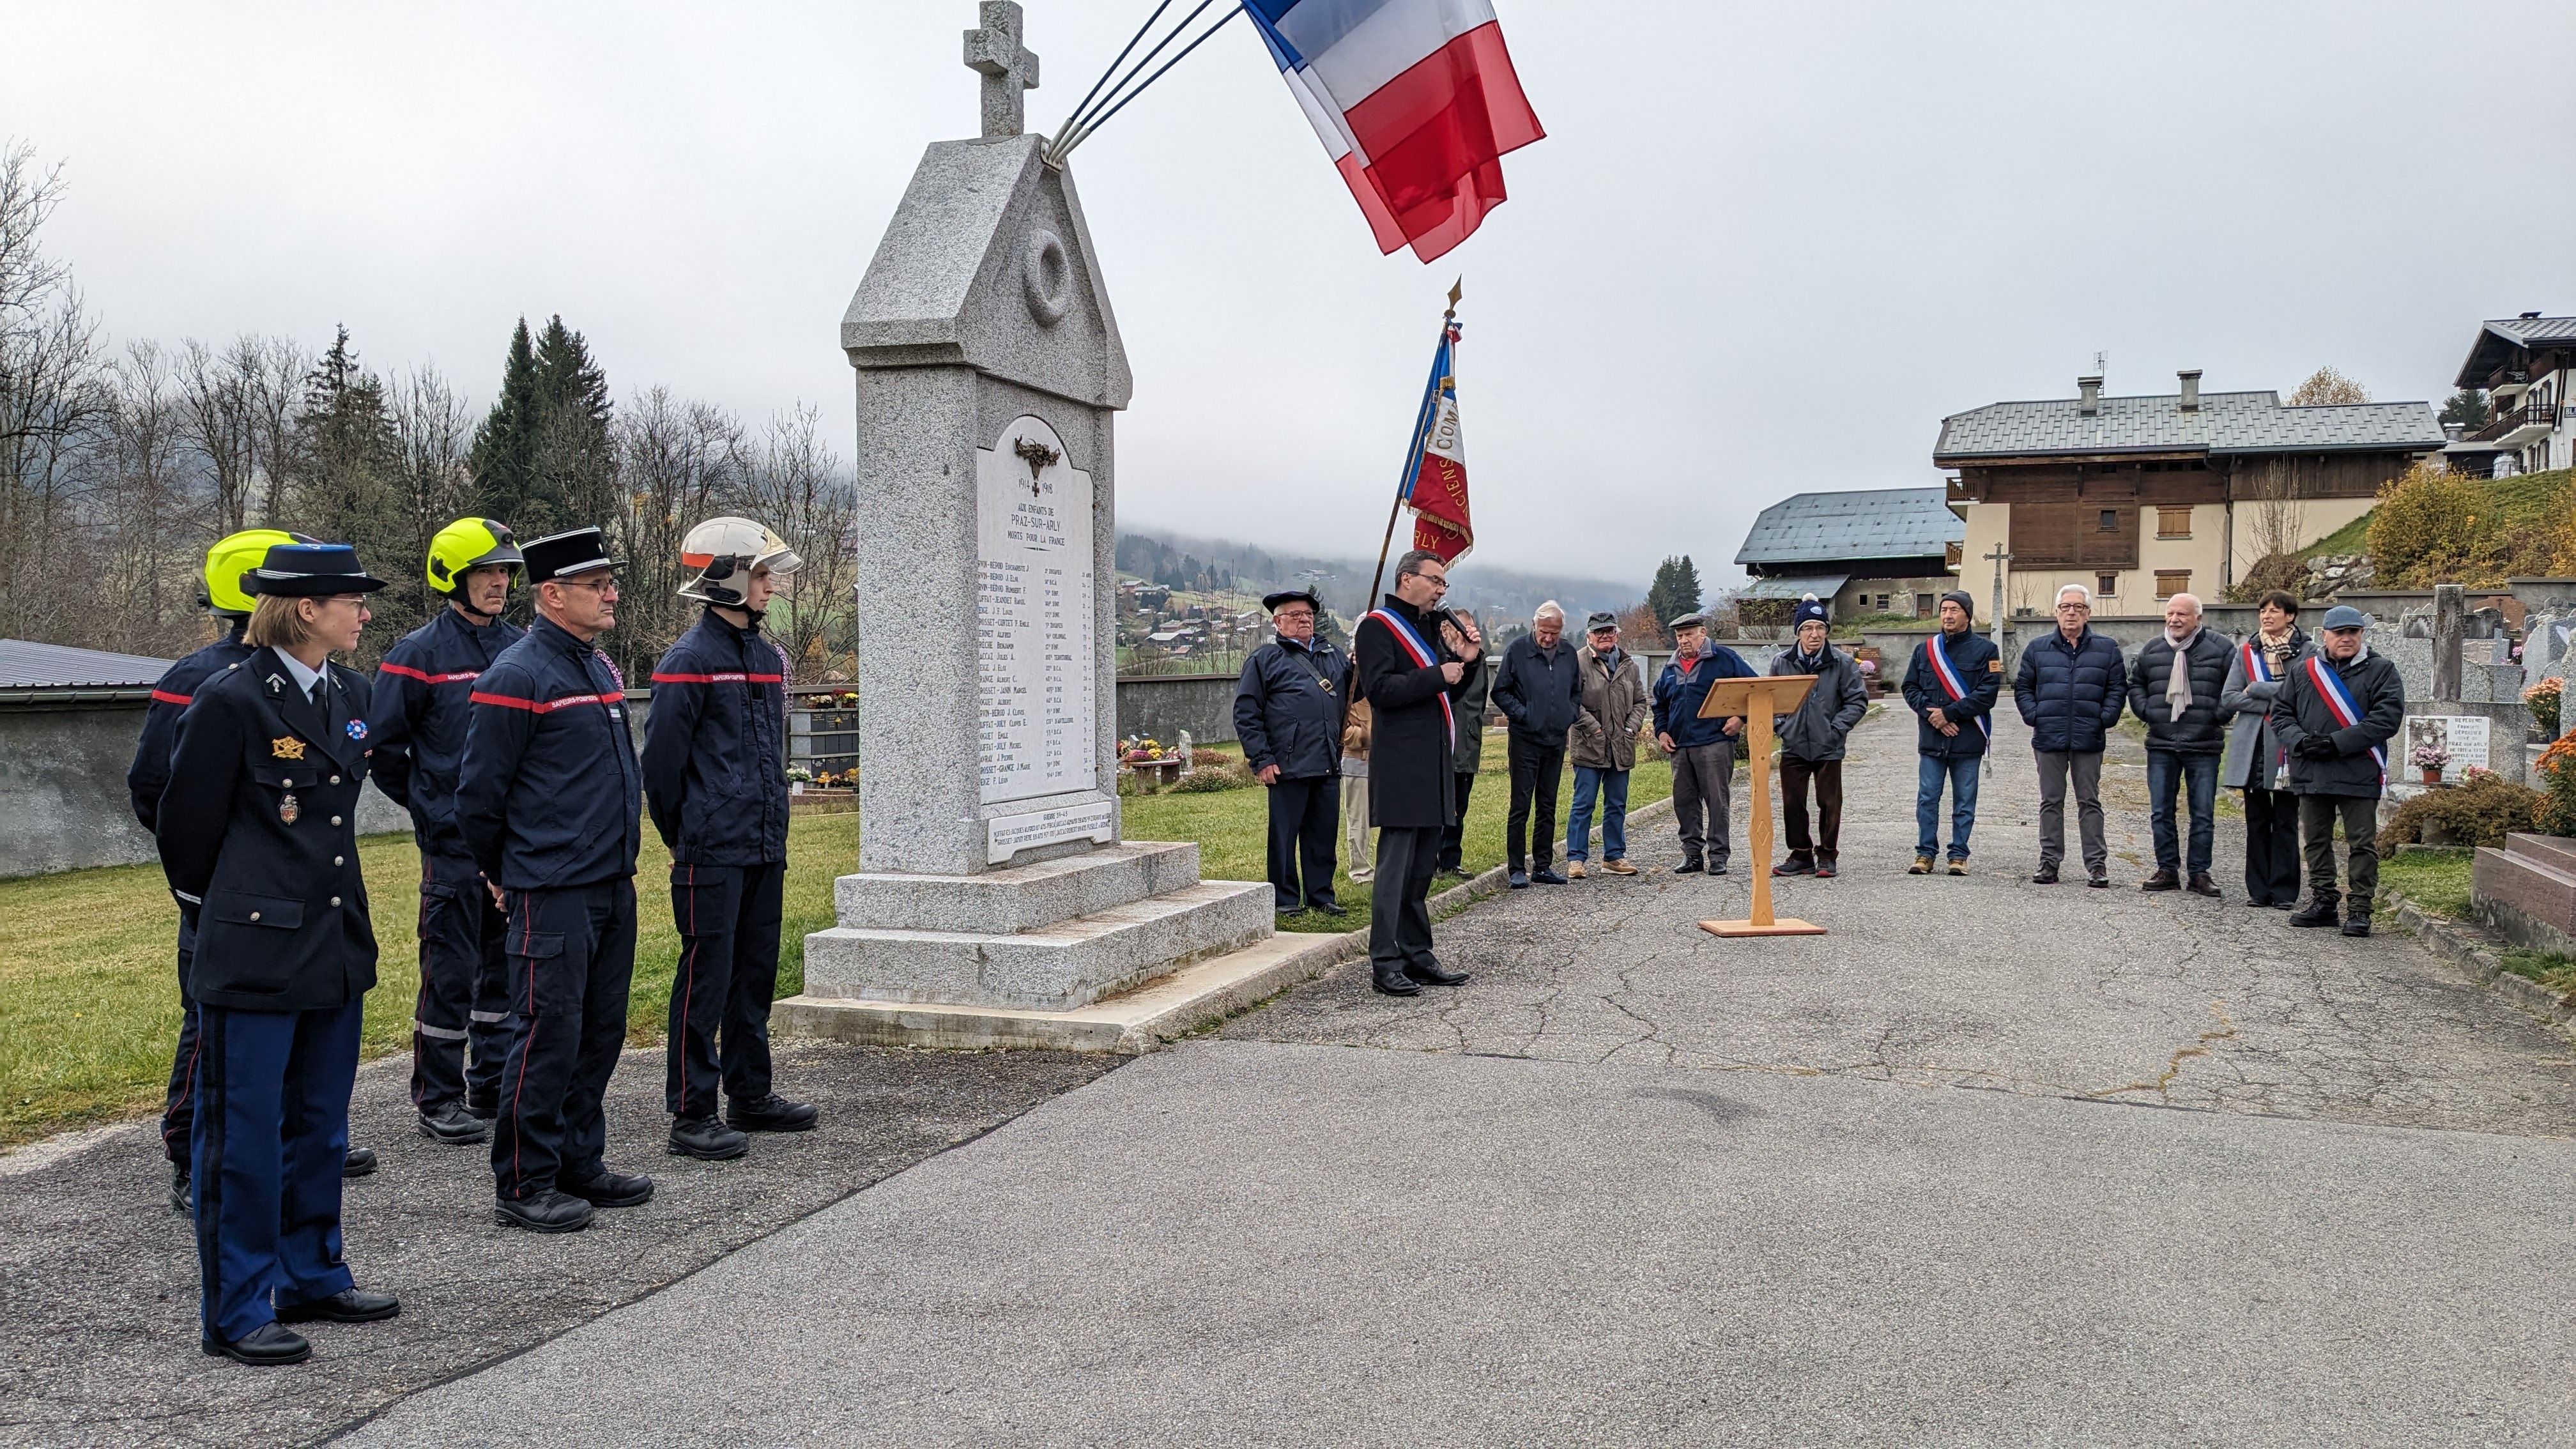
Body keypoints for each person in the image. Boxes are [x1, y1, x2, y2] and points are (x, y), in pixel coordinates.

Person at [155, 540, 400, 1365]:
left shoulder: (354, 692)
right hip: (254, 949)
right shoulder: (231, 700)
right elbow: (184, 830)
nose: (365, 613)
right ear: (306, 610)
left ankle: (311, 1271)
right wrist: (221, 917)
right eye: (352, 600)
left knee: (319, 1127)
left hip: (332, 944)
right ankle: (236, 1307)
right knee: (245, 1134)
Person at [129, 528, 377, 1215]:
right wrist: (224, 887)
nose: (362, 613)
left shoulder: (338, 687)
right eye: (349, 599)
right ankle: (190, 1152)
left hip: (301, 911)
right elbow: (162, 793)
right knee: (212, 1038)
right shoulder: (207, 682)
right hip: (233, 899)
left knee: (292, 1065)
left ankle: (290, 1165)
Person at [457, 527, 652, 1233]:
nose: (612, 593)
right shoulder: (519, 673)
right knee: (545, 1033)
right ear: (552, 594)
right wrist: (505, 873)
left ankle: (579, 1162)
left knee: (597, 1032)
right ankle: (524, 1181)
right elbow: (479, 795)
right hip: (552, 887)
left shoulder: (596, 667)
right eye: (597, 584)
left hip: (608, 882)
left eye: (609, 582)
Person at [643, 517, 819, 1160]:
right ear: (727, 579)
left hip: (763, 845)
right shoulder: (688, 662)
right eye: (763, 574)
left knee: (753, 974)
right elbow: (660, 767)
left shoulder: (766, 657)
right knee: (705, 980)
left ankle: (751, 1095)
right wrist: (687, 834)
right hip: (711, 850)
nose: (772, 586)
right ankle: (692, 1113)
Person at [369, 518, 526, 1147]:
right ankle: (438, 1095)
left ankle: (489, 1080)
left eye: (506, 571)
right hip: (454, 851)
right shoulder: (416, 656)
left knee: (505, 968)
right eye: (488, 570)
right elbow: (382, 751)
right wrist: (432, 809)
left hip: (513, 847)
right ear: (451, 576)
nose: (500, 581)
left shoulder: (520, 647)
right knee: (451, 972)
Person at [1356, 549, 1482, 995]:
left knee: (1422, 869)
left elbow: (1450, 689)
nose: (1441, 589)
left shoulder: (1430, 626)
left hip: (1434, 764)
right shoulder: (1376, 627)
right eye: (1435, 580)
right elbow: (1381, 689)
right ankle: (1384, 961)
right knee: (1394, 871)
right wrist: (1438, 674)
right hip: (1400, 766)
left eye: (1444, 583)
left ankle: (1417, 955)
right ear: (1407, 579)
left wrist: (1466, 660)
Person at [2269, 604, 2404, 937]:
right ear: (2325, 636)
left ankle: (2360, 909)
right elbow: (2282, 712)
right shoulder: (2304, 671)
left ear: (2361, 635)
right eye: (2339, 633)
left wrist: (2337, 743)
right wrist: (2299, 741)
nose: (2346, 639)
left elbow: (2386, 719)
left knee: (2361, 842)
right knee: (2315, 840)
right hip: (2311, 767)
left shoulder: (2382, 670)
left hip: (2358, 768)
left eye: (2353, 632)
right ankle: (2324, 901)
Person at [1233, 588, 1351, 915]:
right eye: (1295, 615)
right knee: (1284, 838)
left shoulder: (1333, 656)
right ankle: (1285, 899)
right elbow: (1246, 712)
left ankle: (1321, 895)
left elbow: (1357, 692)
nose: (1303, 621)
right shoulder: (1265, 659)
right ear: (1278, 622)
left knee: (1323, 835)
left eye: (1309, 616)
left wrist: (1362, 664)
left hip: (1327, 760)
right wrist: (1262, 759)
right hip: (1287, 763)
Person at [2013, 583, 2127, 887]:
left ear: (2088, 613)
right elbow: (2023, 687)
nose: (2072, 613)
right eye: (2066, 607)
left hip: (2088, 738)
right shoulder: (2038, 649)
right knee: (2051, 801)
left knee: (2089, 801)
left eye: (2078, 607)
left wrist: (2105, 719)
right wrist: (2034, 716)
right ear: (2057, 612)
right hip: (2048, 737)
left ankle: (2097, 866)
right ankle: (2050, 862)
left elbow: (2117, 689)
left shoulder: (2107, 649)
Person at [2128, 592, 2234, 897]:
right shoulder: (2153, 649)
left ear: (2198, 619)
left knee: (2202, 812)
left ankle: (2199, 873)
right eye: (2170, 614)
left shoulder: (2222, 649)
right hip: (2161, 743)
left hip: (2204, 743)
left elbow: (2234, 686)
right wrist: (2147, 712)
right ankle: (2167, 869)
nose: (2174, 619)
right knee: (2161, 811)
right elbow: (2136, 684)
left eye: (2182, 615)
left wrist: (2218, 716)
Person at [1899, 590, 2000, 876]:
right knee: (1928, 798)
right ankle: (1925, 854)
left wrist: (1950, 714)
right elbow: (1910, 688)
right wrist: (1935, 717)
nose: (1948, 615)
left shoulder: (1987, 651)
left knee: (1964, 801)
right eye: (1944, 610)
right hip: (1932, 739)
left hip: (1967, 740)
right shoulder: (1924, 650)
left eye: (1954, 610)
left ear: (1967, 614)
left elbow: (1988, 694)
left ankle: (1958, 855)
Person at [2218, 592, 2310, 908]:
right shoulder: (2246, 652)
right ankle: (2258, 890)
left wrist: (2256, 689)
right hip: (2252, 745)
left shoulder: (2307, 650)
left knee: (2285, 820)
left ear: (2291, 616)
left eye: (2275, 611)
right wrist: (2275, 699)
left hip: (2286, 745)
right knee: (2256, 820)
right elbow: (2229, 697)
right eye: (2263, 611)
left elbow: (2303, 693)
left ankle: (2284, 891)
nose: (2267, 616)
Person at [1768, 598, 1869, 878]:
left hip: (1829, 746)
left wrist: (1835, 729)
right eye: (1808, 628)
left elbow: (1857, 702)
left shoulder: (1843, 663)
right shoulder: (1782, 662)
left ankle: (1826, 855)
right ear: (1798, 632)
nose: (1815, 634)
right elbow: (1771, 701)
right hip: (1794, 745)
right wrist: (1781, 728)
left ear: (1826, 630)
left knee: (1829, 802)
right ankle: (1801, 855)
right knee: (1793, 803)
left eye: (1820, 627)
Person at [1652, 611, 1759, 875]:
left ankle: (1719, 856)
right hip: (1680, 745)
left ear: (1703, 633)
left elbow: (1756, 689)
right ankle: (1692, 855)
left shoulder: (1725, 659)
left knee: (1717, 800)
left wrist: (1741, 718)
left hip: (1714, 741)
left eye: (1689, 635)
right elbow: (1660, 705)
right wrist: (1662, 732)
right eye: (1679, 636)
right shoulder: (1670, 667)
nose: (1684, 641)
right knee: (1685, 802)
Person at [1492, 601, 1583, 888]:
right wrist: (1524, 715)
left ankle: (1543, 865)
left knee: (1548, 804)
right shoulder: (1518, 650)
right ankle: (1517, 868)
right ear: (1535, 626)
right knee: (1521, 806)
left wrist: (1569, 715)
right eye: (1544, 631)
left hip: (1555, 741)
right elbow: (1500, 691)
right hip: (1524, 741)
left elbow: (1575, 692)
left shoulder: (1568, 653)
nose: (1549, 638)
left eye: (1554, 633)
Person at [1565, 611, 1647, 878]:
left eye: (1609, 631)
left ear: (1617, 634)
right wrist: (1595, 728)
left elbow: (1640, 702)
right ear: (1589, 636)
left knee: (1617, 803)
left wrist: (1630, 727)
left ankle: (1614, 857)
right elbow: (1571, 703)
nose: (1605, 637)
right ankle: (1576, 859)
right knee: (1583, 803)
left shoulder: (1629, 665)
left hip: (1620, 746)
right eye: (1599, 632)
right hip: (1590, 745)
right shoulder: (1576, 663)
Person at [1434, 608, 1489, 879]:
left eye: (1468, 627)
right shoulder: (1438, 659)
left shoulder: (1479, 662)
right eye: (1459, 627)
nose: (1464, 633)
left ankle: (1450, 860)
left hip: (1467, 743)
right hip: (1441, 743)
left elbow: (1480, 702)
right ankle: (1430, 862)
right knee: (1437, 807)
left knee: (1459, 807)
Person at [1340, 696, 1374, 885]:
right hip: (1358, 761)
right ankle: (1362, 872)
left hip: (1388, 760)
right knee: (1359, 821)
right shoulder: (1349, 685)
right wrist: (1365, 735)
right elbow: (1339, 727)